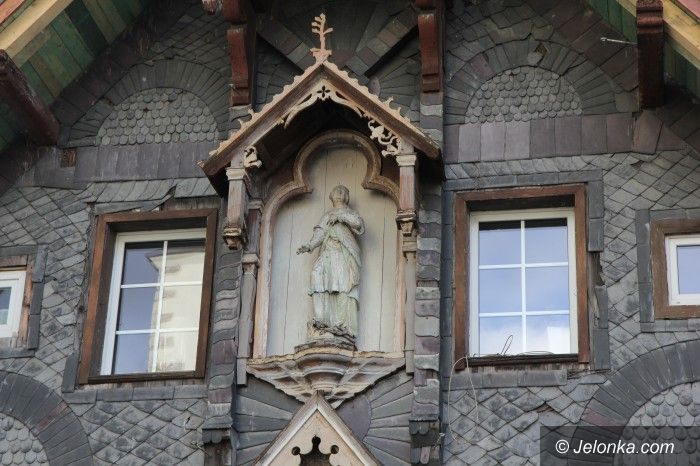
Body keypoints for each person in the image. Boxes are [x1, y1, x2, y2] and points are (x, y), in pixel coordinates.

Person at [297, 185, 365, 345]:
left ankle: (342, 326)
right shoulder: (327, 216)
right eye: (336, 191)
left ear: (346, 197)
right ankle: (322, 320)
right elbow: (320, 234)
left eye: (343, 191)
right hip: (328, 254)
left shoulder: (350, 214)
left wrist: (341, 217)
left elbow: (358, 224)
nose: (339, 193)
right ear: (331, 196)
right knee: (317, 276)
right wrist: (309, 245)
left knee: (344, 287)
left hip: (344, 255)